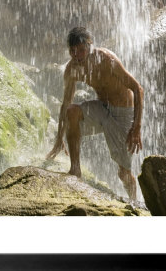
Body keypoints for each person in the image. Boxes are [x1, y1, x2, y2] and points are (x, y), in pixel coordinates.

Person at [46, 27, 143, 200]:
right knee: (72, 112)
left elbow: (137, 89)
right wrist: (59, 138)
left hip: (123, 113)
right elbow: (65, 104)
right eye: (73, 51)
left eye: (81, 50)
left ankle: (135, 203)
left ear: (90, 46)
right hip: (102, 108)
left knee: (124, 173)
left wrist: (136, 128)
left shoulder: (107, 60)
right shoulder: (72, 70)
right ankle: (75, 169)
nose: (78, 56)